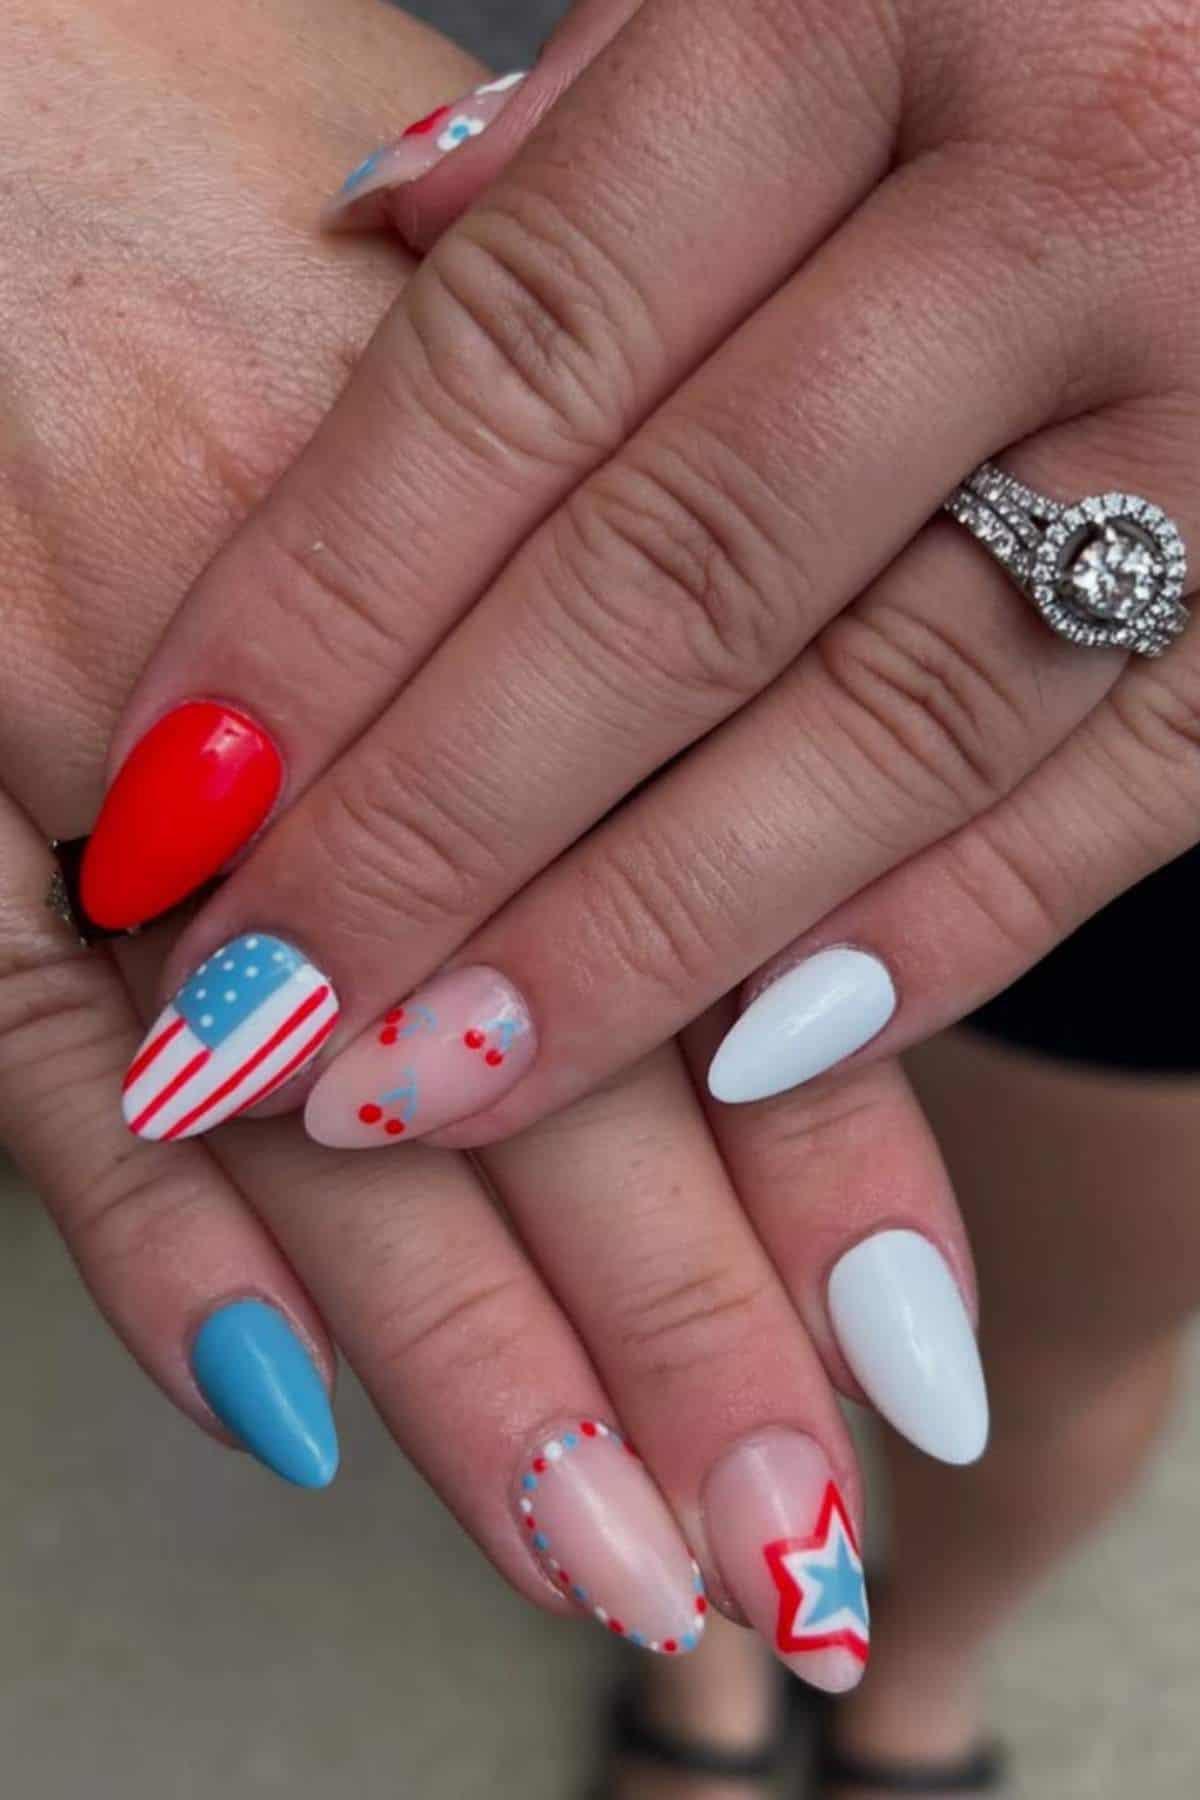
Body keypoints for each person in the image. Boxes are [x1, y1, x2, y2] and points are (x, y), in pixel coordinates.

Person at [3, 0, 1199, 1794]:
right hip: (342, 194)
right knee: (647, 1299)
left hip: (1131, 450)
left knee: (1061, 1317)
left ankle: (915, 1674)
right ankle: (713, 1634)